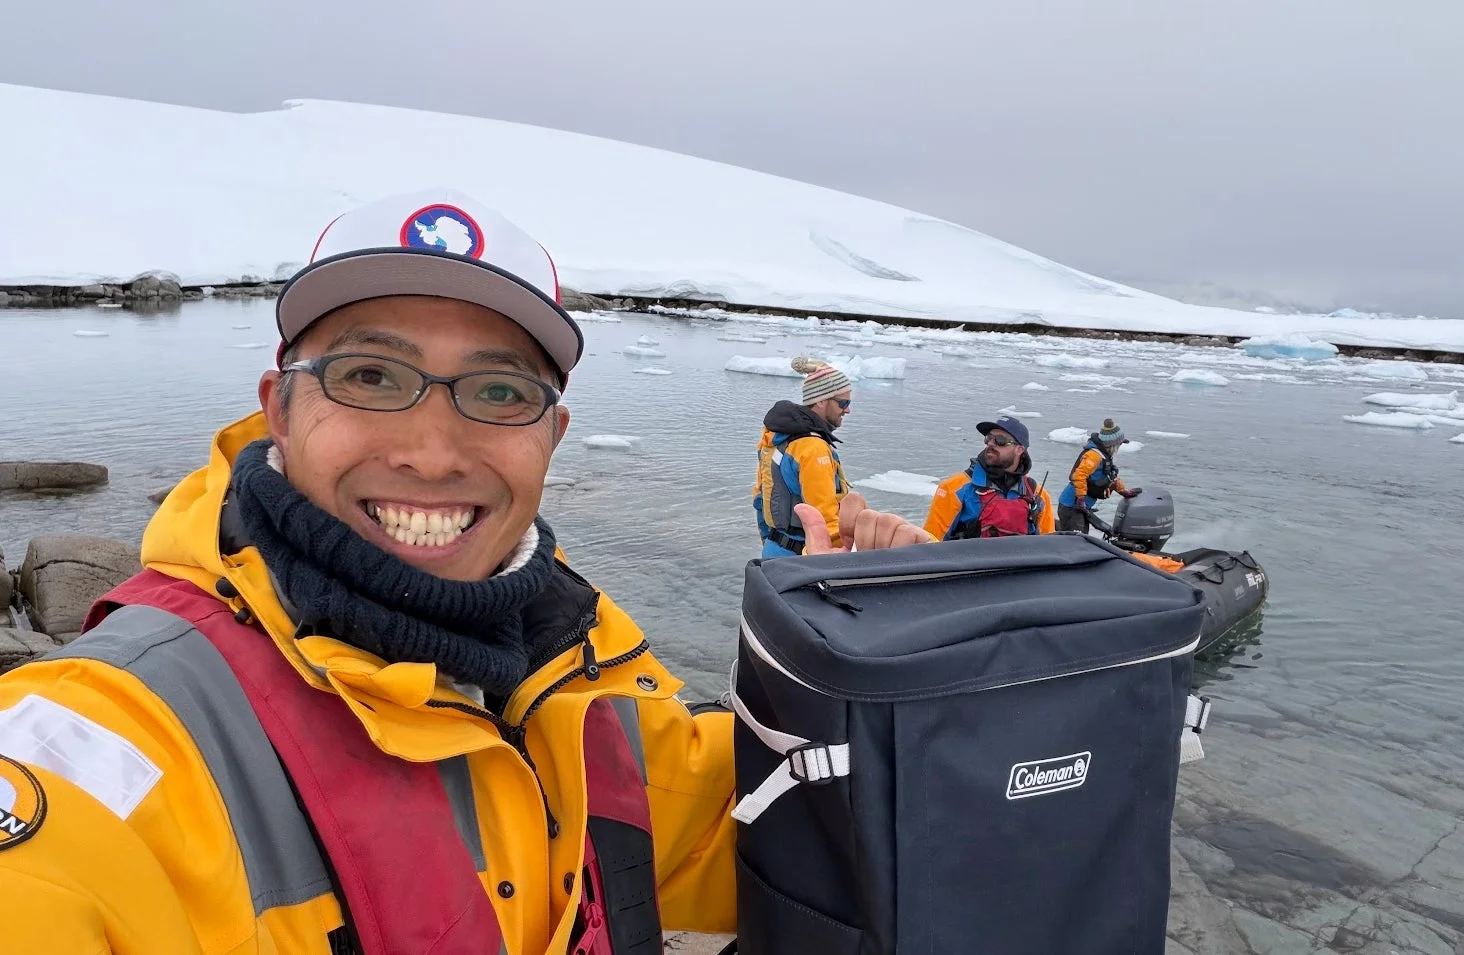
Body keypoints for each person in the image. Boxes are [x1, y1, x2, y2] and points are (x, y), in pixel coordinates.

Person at [0, 189, 933, 954]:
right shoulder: (105, 738)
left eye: (499, 392)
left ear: (551, 436)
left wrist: (860, 663)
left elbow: (773, 841)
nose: (434, 452)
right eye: (369, 376)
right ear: (277, 412)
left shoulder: (573, 659)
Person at [753, 357, 853, 558]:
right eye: (843, 402)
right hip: (803, 558)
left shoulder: (776, 437)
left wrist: (768, 540)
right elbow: (824, 514)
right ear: (821, 400)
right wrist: (842, 558)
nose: (848, 409)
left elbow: (760, 497)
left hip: (775, 550)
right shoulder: (812, 448)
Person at [924, 415, 1056, 540]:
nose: (991, 444)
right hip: (968, 563)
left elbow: (1049, 549)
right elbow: (929, 545)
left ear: (1019, 450)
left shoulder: (1038, 495)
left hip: (1019, 563)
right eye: (989, 438)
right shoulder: (954, 488)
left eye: (1000, 441)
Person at [1057, 417, 1140, 534]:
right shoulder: (1093, 456)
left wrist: (1123, 491)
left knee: (1081, 538)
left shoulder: (1105, 456)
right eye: (1119, 444)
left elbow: (1110, 477)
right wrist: (1081, 498)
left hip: (1082, 507)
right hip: (1071, 506)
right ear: (1112, 444)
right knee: (1076, 541)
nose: (1120, 447)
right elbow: (1079, 475)